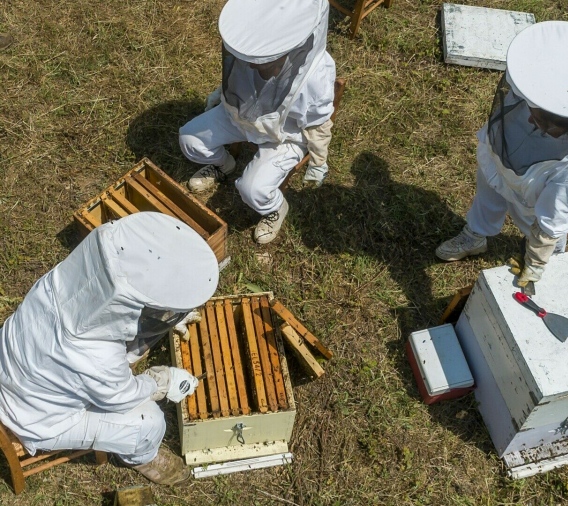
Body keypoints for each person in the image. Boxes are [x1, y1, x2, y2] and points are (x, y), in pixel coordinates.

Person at [0, 212, 219, 486]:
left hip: (11, 366)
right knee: (149, 421)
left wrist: (168, 310)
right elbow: (121, 398)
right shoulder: (96, 358)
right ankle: (142, 456)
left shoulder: (56, 282)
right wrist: (160, 381)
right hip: (35, 419)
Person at [435, 21, 568, 287]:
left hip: (535, 189)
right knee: (488, 193)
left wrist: (536, 262)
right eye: (532, 111)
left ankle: (551, 260)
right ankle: (476, 234)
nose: (530, 119)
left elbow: (553, 219)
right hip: (499, 159)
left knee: (534, 223)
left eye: (543, 121)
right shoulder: (543, 95)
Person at [179, 0, 336, 244]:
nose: (252, 64)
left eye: (262, 61)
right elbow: (239, 76)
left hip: (284, 136)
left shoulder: (316, 78)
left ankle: (275, 208)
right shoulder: (254, 53)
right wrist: (220, 93)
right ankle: (223, 165)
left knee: (252, 190)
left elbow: (318, 124)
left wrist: (318, 161)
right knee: (189, 139)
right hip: (240, 114)